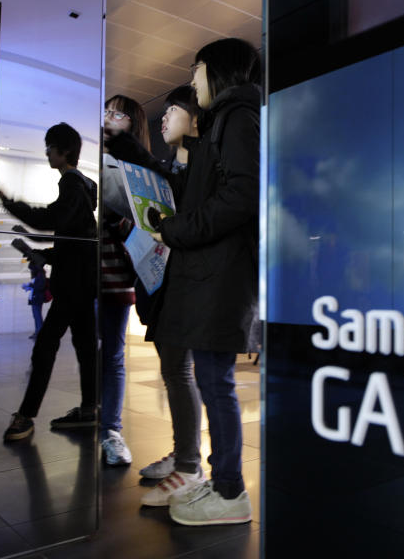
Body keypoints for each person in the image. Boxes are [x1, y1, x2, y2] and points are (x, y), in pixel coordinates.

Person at [113, 38, 260, 525]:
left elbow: (241, 196)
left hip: (222, 276)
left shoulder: (238, 117)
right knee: (212, 381)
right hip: (211, 274)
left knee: (216, 383)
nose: (192, 79)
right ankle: (218, 483)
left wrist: (176, 228)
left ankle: (230, 492)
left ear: (215, 70)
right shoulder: (227, 120)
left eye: (196, 69)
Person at [0, 123, 98, 442]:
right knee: (84, 346)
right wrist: (46, 253)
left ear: (64, 151)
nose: (46, 152)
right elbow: (77, 239)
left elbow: (48, 220)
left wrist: (10, 204)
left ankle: (26, 416)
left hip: (72, 285)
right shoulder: (84, 186)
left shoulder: (71, 183)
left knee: (45, 346)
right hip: (83, 281)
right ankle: (88, 409)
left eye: (49, 146)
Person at [136, 86, 205, 502]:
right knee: (174, 372)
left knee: (184, 372)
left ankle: (189, 463)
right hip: (162, 281)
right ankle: (185, 454)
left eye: (173, 110)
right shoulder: (166, 171)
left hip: (189, 283)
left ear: (195, 118)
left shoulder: (201, 168)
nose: (164, 118)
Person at [95, 95, 151, 465]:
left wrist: (117, 221)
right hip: (91, 272)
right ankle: (96, 417)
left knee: (112, 353)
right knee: (94, 351)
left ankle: (110, 430)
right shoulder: (102, 162)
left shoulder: (138, 170)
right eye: (108, 110)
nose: (109, 117)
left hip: (118, 275)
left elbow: (143, 226)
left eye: (119, 113)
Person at [23, 258, 48, 339]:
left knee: (37, 316)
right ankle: (38, 331)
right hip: (35, 297)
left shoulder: (40, 274)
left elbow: (40, 286)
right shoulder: (39, 274)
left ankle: (40, 332)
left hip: (37, 297)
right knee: (36, 316)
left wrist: (31, 285)